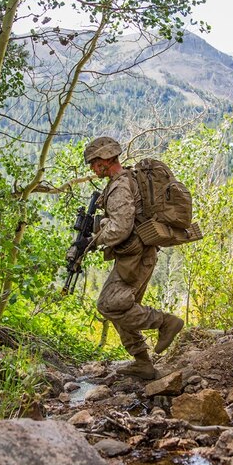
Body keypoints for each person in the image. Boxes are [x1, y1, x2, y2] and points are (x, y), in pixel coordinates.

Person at [75, 136, 184, 379]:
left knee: (109, 304)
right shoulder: (123, 181)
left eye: (94, 162)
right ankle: (143, 363)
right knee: (122, 308)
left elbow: (121, 228)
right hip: (136, 255)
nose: (92, 168)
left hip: (136, 258)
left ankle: (166, 322)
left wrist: (93, 241)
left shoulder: (120, 186)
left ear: (105, 159)